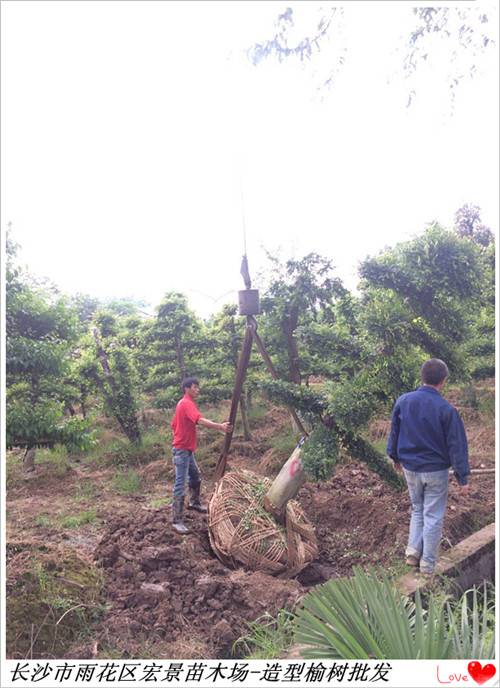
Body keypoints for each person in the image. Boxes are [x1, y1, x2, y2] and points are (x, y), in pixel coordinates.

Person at [387, 358, 470, 576]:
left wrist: (394, 456)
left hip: (410, 468)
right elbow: (457, 445)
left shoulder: (403, 401)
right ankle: (428, 564)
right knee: (433, 514)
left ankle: (413, 551)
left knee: (417, 508)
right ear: (443, 381)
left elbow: (394, 431)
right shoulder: (447, 409)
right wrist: (463, 477)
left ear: (422, 377)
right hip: (435, 471)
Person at [170, 376, 232, 534]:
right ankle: (177, 520)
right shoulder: (186, 403)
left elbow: (174, 424)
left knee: (195, 476)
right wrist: (220, 427)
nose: (197, 390)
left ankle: (194, 502)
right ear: (187, 389)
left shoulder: (184, 404)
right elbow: (199, 420)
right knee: (180, 482)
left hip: (186, 450)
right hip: (182, 450)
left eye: (198, 387)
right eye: (194, 387)